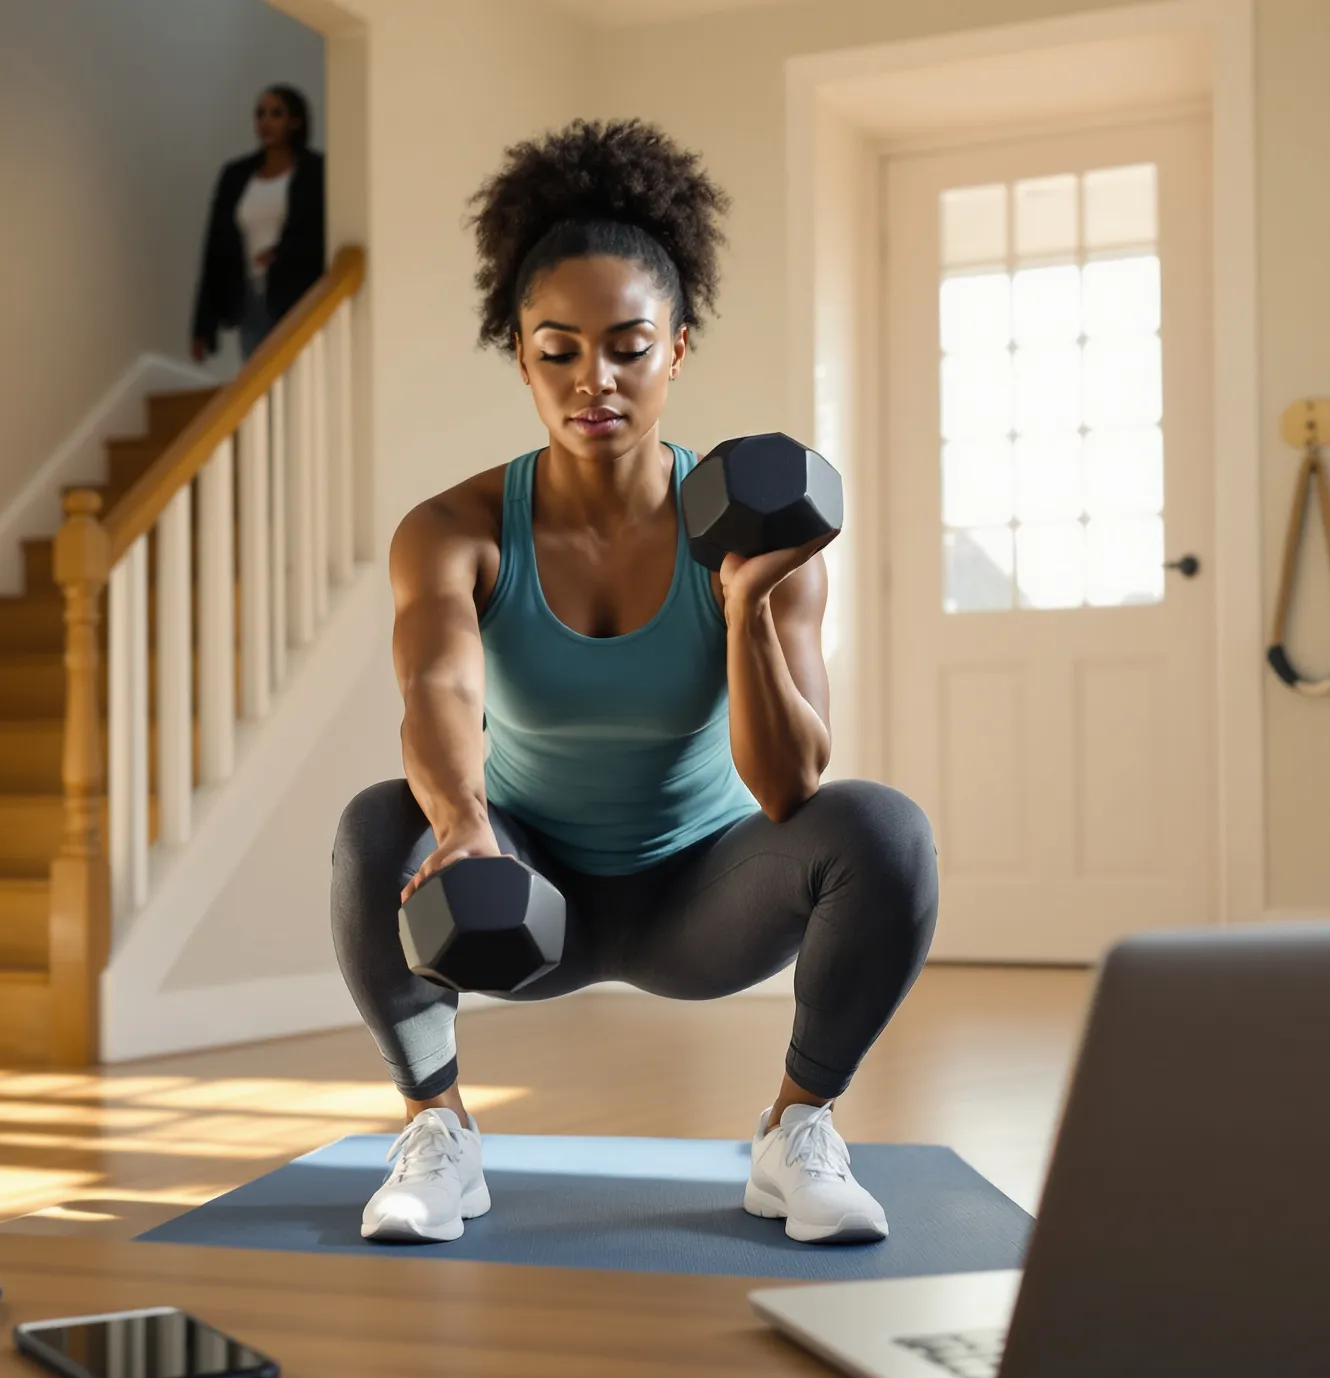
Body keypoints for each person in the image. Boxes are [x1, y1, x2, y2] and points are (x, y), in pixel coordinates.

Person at [331, 120, 940, 1248]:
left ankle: (794, 1132)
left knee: (884, 830)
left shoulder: (749, 530)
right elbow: (436, 692)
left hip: (702, 900)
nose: (591, 379)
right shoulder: (455, 530)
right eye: (557, 349)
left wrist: (745, 607)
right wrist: (465, 827)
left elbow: (790, 783)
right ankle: (437, 1131)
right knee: (379, 825)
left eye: (627, 345)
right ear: (519, 354)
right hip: (522, 896)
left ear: (678, 350)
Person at [191, 84, 325, 368]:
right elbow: (215, 246)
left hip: (296, 292)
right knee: (256, 376)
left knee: (295, 372)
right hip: (249, 294)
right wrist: (203, 324)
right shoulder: (236, 175)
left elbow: (321, 229)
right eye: (260, 113)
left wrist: (283, 252)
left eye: (276, 113)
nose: (265, 121)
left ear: (295, 121)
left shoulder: (315, 171)